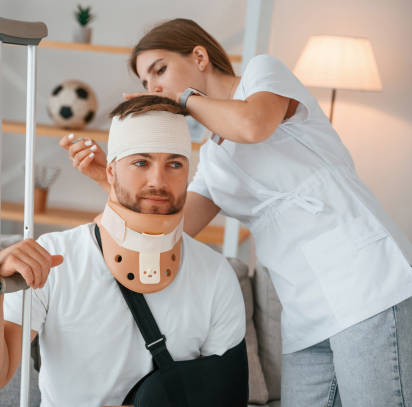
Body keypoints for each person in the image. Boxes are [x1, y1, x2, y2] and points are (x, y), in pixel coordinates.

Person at [60, 18, 412, 407]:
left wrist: (181, 99)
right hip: (304, 311)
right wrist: (107, 180)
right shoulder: (213, 161)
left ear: (199, 56)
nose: (154, 87)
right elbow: (169, 229)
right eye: (145, 83)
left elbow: (253, 123)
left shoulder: (262, 76)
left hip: (365, 284)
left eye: (159, 70)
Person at [0, 97, 248, 407]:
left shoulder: (215, 274)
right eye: (141, 162)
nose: (158, 181)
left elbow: (223, 396)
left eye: (174, 164)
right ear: (111, 172)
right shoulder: (53, 258)